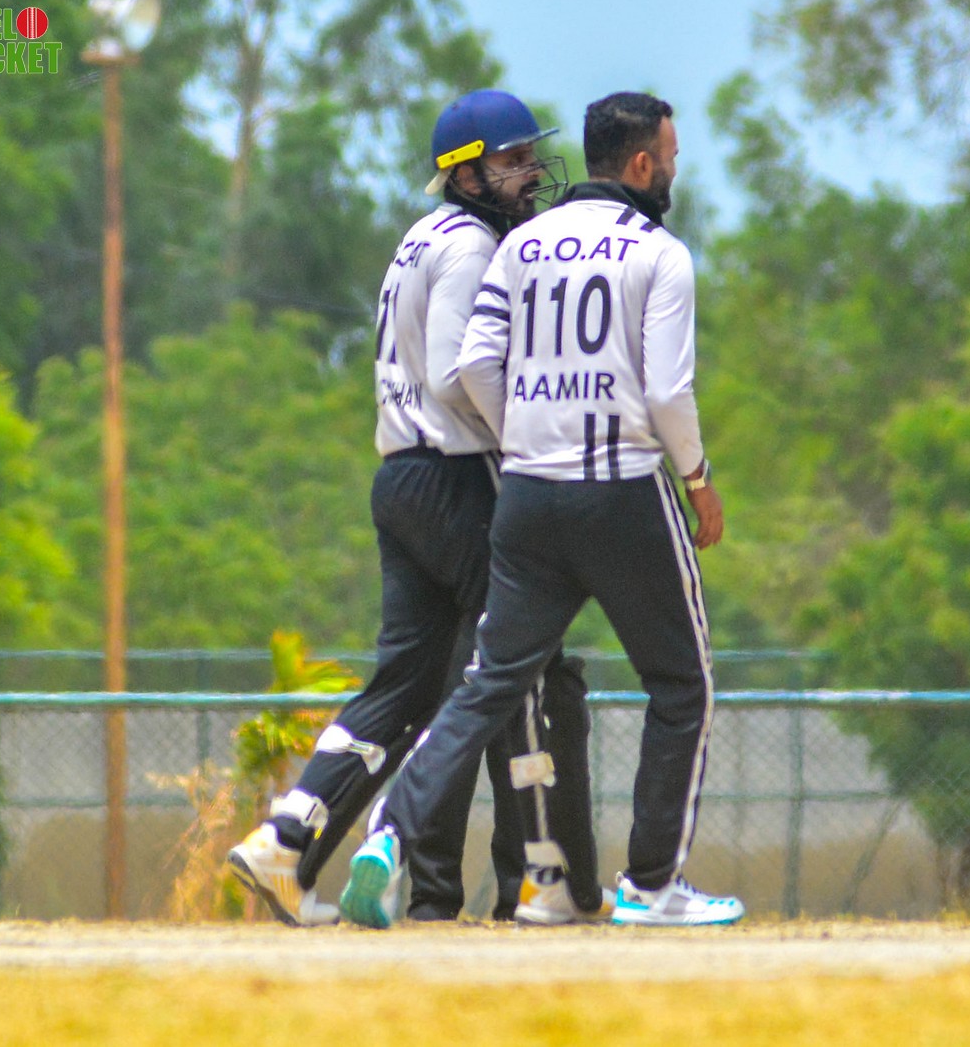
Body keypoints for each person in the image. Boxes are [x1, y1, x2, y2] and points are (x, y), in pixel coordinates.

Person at [340, 91, 743, 928]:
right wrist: (698, 478)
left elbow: (474, 363)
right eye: (670, 157)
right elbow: (669, 392)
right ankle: (651, 885)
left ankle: (389, 831)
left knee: (488, 683)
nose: (672, 171)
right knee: (682, 684)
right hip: (623, 488)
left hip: (526, 495)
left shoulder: (522, 243)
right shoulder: (661, 253)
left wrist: (523, 437)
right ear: (641, 163)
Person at [228, 89, 604, 927]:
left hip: (400, 478)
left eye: (529, 157)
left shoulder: (420, 237)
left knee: (402, 684)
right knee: (520, 659)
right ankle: (540, 877)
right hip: (456, 476)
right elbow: (455, 369)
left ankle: (285, 841)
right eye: (510, 161)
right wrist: (525, 441)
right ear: (463, 174)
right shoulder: (470, 243)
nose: (529, 173)